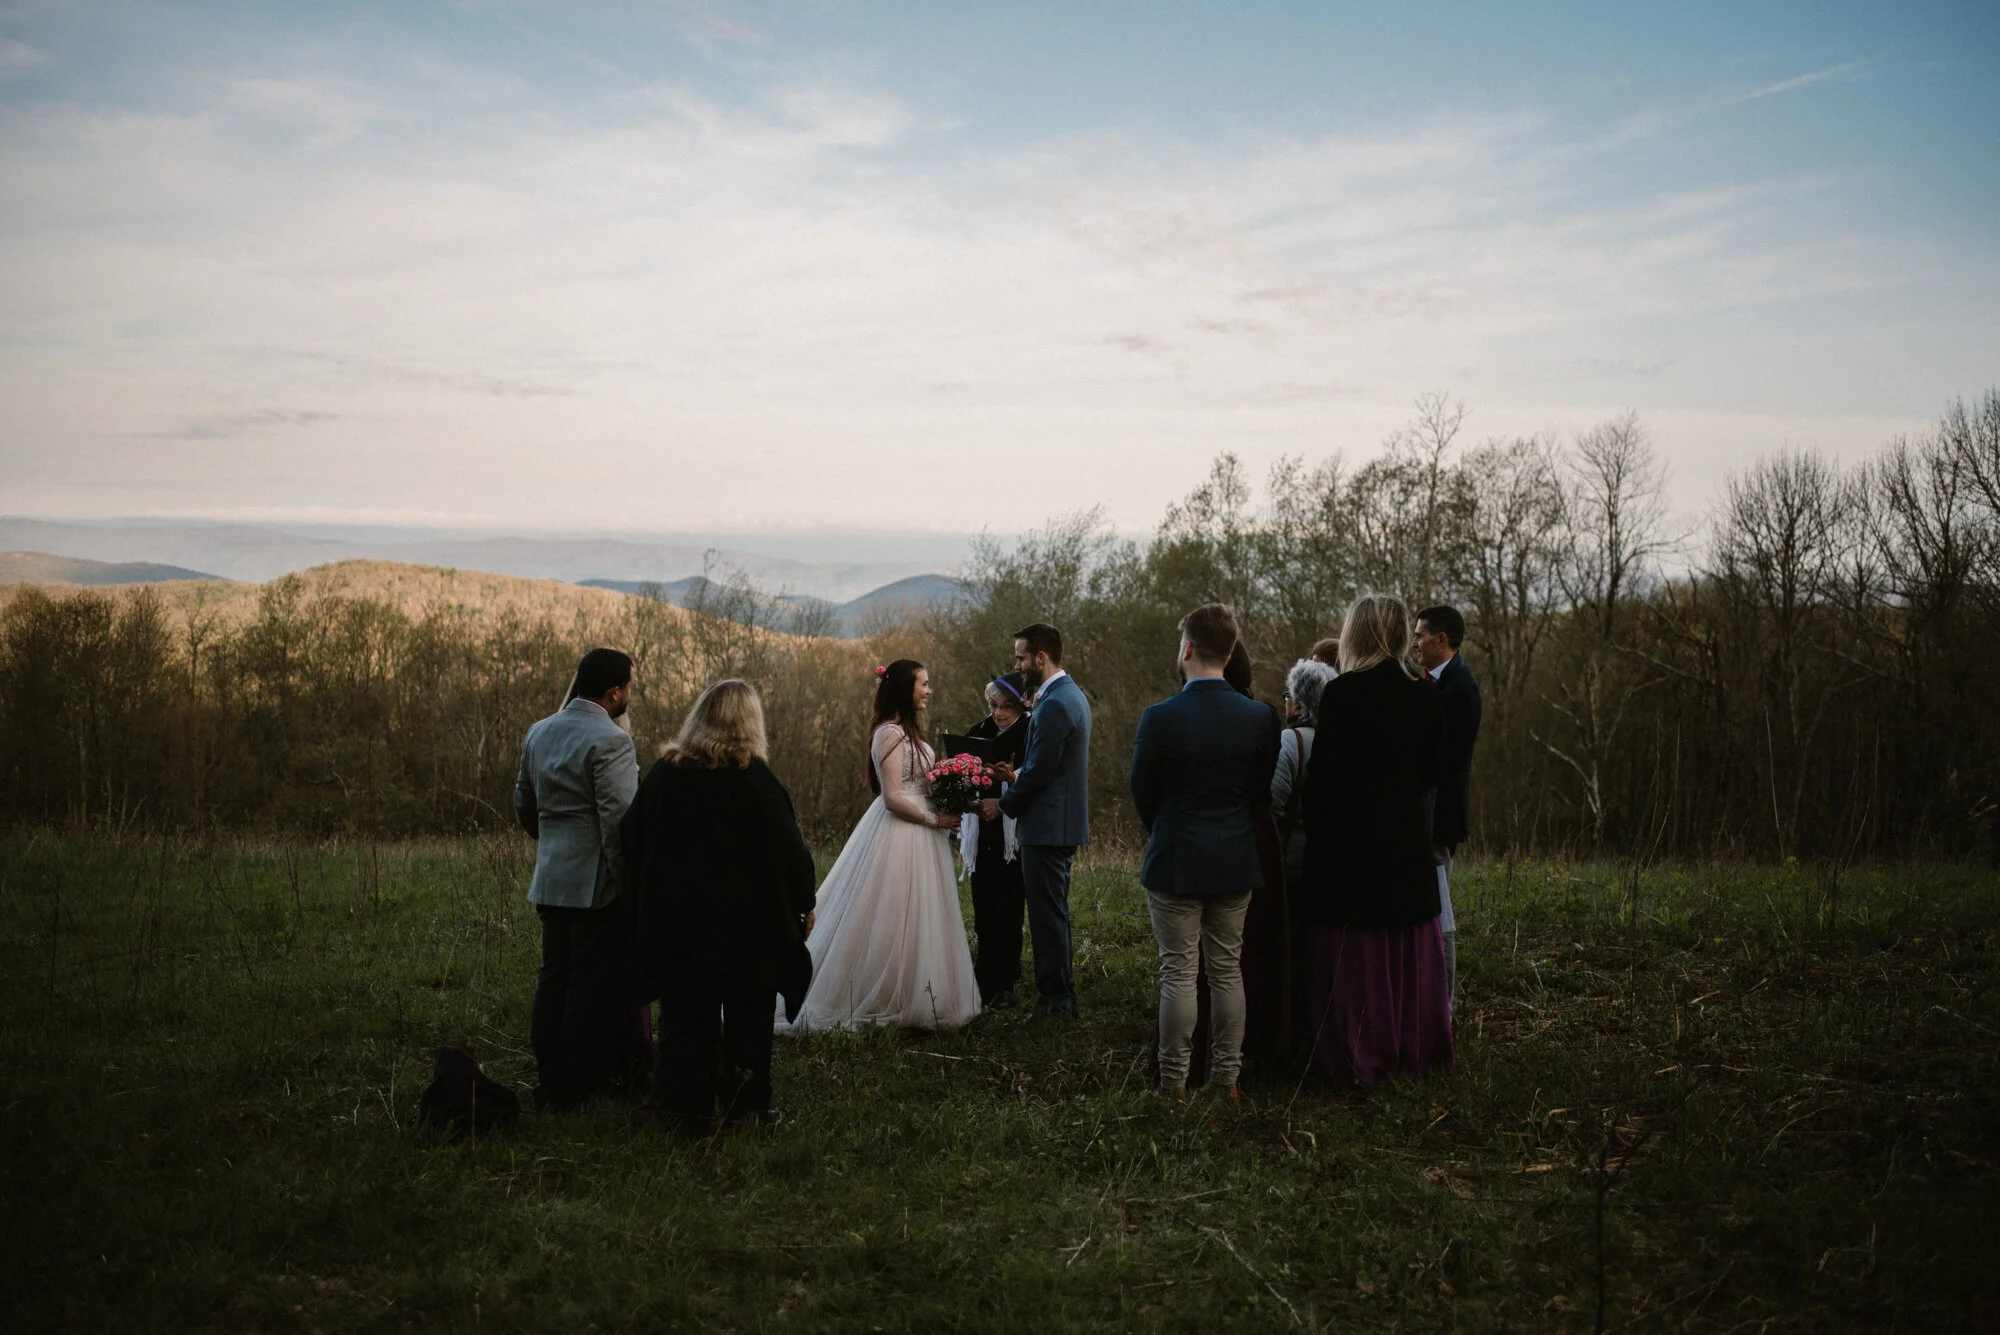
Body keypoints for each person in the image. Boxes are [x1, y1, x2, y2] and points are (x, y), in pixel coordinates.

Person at [621, 680, 817, 1131]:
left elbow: (631, 839)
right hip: (747, 933)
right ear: (751, 723)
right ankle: (743, 1110)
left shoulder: (665, 776)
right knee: (749, 1021)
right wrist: (803, 904)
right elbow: (791, 854)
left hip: (679, 927)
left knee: (685, 1017)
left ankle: (679, 1106)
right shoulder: (758, 783)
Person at [1297, 594, 1453, 1087]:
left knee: (1356, 958)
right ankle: (1414, 1046)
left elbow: (1321, 782)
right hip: (1406, 844)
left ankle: (1362, 1048)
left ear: (1355, 634)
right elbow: (1434, 773)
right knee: (1406, 947)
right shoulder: (1426, 695)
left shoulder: (1342, 694)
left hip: (1351, 851)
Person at [780, 660, 980, 1032]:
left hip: (923, 834)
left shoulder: (910, 733)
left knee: (920, 915)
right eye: (924, 683)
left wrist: (952, 795)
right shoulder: (888, 734)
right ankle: (876, 994)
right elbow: (892, 797)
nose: (929, 690)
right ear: (906, 688)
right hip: (900, 832)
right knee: (890, 915)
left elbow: (921, 784)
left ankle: (914, 991)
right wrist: (935, 820)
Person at [1132, 605, 1281, 1097]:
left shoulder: (1159, 718)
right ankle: (1226, 1078)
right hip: (1235, 858)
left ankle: (1173, 1083)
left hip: (1177, 856)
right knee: (1226, 969)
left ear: (1187, 648)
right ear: (1232, 651)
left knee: (1178, 970)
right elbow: (1259, 792)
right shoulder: (1261, 718)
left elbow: (1143, 793)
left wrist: (1169, 827)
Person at [515, 647, 642, 1111]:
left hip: (551, 877)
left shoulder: (539, 731)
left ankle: (551, 1075)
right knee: (587, 987)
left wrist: (550, 845)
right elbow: (618, 823)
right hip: (595, 884)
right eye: (629, 687)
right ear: (613, 693)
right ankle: (579, 1083)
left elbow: (524, 804)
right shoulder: (610, 741)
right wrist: (626, 886)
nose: (630, 694)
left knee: (553, 980)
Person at [979, 623, 1092, 1017]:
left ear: (1040, 658)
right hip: (1056, 823)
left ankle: (1056, 1001)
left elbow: (1042, 772)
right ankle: (1058, 996)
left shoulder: (1057, 703)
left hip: (1048, 826)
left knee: (1047, 919)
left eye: (1021, 658)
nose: (1018, 666)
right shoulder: (1067, 694)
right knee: (1051, 914)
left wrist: (1003, 803)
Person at [1414, 604, 1482, 1008]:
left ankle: (1446, 1003)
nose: (1415, 643)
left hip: (1438, 820)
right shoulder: (1432, 682)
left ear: (1441, 640)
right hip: (1426, 815)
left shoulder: (1459, 690)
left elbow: (1444, 763)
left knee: (1441, 917)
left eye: (1420, 635)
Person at [960, 672, 1031, 1008]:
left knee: (1009, 909)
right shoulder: (979, 731)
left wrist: (1012, 778)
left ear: (1020, 707)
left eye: (1007, 707)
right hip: (982, 832)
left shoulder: (1030, 731)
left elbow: (1036, 780)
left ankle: (1005, 980)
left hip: (1012, 838)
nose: (999, 713)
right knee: (984, 908)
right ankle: (983, 975)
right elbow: (963, 769)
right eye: (994, 706)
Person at [1271, 658, 1338, 887]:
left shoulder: (1290, 741)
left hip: (1294, 860)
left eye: (1288, 695)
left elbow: (1273, 804)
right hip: (1335, 855)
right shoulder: (1343, 741)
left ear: (1299, 703)